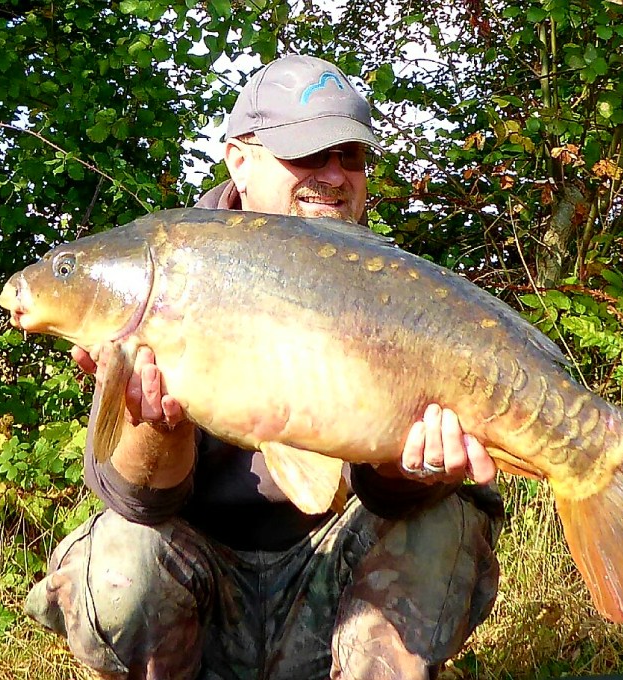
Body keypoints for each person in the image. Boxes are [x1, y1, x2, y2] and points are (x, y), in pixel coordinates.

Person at [25, 54, 504, 680]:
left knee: (441, 522)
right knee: (118, 558)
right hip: (204, 597)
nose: (333, 175)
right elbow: (137, 503)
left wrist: (410, 468)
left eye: (351, 157)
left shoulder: (388, 285)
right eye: (307, 154)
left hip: (334, 589)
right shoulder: (172, 266)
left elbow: (387, 497)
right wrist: (159, 425)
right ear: (238, 160)